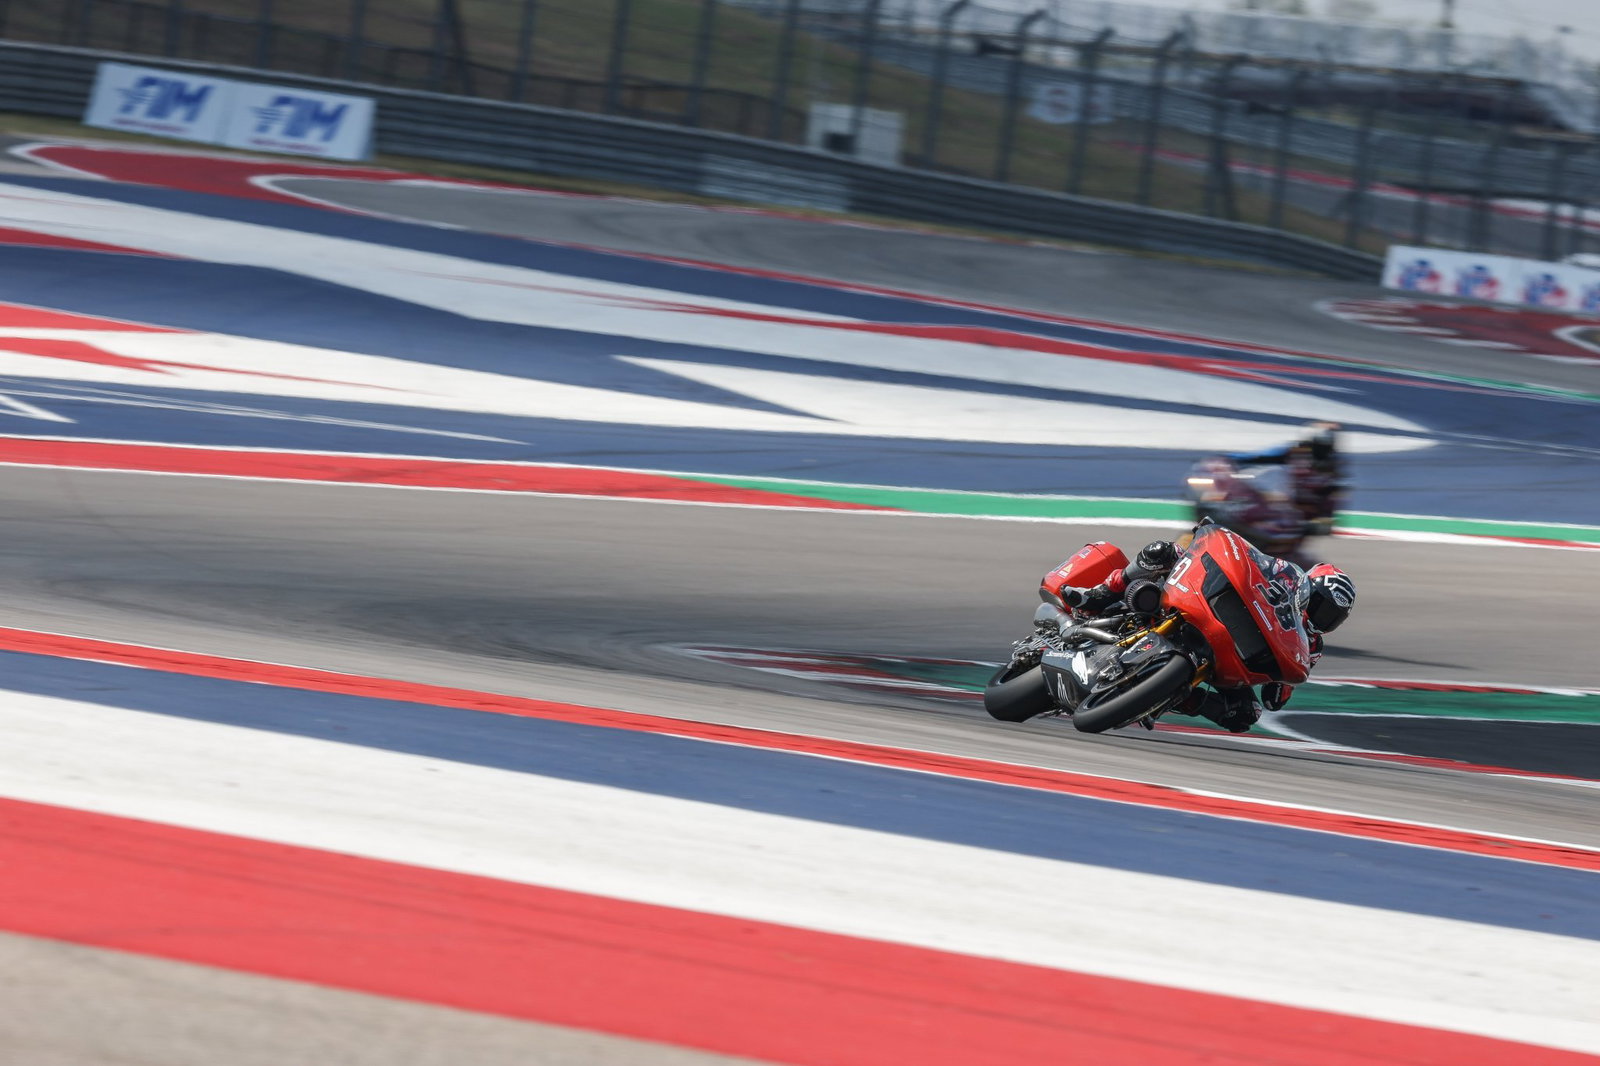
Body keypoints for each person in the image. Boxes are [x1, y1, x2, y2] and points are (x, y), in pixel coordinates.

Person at [1053, 538, 1355, 734]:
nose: (1320, 618)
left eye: (1331, 617)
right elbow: (1251, 563)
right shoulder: (1286, 576)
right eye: (1320, 606)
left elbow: (1282, 689)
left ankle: (1167, 697)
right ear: (1307, 590)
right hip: (1210, 607)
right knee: (1163, 552)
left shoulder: (1311, 646)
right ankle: (1098, 594)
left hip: (1231, 657)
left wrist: (1281, 690)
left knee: (1244, 715)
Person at [1228, 421, 1345, 536]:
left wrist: (1325, 516)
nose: (1321, 450)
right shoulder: (1295, 450)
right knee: (1274, 473)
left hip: (1306, 506)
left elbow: (1333, 489)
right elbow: (1260, 456)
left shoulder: (1333, 461)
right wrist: (1233, 458)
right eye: (1318, 445)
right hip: (1287, 500)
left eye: (1325, 446)